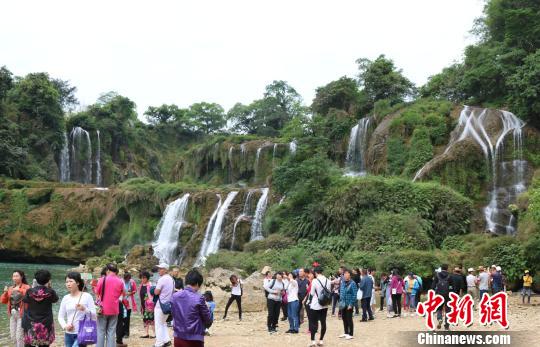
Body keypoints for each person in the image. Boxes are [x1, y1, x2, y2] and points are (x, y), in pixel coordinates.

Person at [170, 269, 213, 347]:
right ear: (197, 283)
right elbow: (207, 319)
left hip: (178, 337)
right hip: (194, 339)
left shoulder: (175, 296)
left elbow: (173, 314)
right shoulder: (199, 298)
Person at [22, 269, 59, 347]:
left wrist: (33, 288)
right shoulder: (51, 292)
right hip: (46, 322)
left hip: (32, 321)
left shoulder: (29, 291)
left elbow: (25, 300)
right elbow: (55, 300)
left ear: (36, 279)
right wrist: (49, 287)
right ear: (48, 280)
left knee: (30, 343)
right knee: (44, 344)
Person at [58, 272, 96, 347]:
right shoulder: (66, 298)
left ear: (78, 283)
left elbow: (94, 315)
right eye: (66, 282)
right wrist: (65, 326)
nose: (68, 284)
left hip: (82, 331)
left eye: (71, 281)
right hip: (68, 333)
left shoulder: (87, 296)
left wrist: (84, 309)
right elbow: (60, 316)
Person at [94, 263, 125, 347]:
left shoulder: (102, 280)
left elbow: (97, 293)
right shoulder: (120, 281)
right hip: (115, 309)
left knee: (101, 331)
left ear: (107, 270)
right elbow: (122, 294)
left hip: (102, 309)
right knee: (111, 332)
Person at [1, 270, 30, 347]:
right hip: (12, 314)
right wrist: (5, 292)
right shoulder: (11, 288)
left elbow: (28, 293)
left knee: (19, 336)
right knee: (13, 336)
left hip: (22, 314)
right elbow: (3, 301)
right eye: (13, 276)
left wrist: (18, 289)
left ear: (21, 277)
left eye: (17, 276)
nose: (14, 278)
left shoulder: (26, 287)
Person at [308, 266, 331, 347]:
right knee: (323, 322)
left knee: (313, 323)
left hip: (315, 305)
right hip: (324, 304)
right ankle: (321, 340)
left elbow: (312, 293)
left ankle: (313, 342)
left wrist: (308, 301)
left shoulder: (315, 280)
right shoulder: (328, 280)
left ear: (316, 272)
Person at [154, 263, 175, 347]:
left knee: (158, 324)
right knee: (163, 323)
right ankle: (167, 340)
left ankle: (159, 343)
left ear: (166, 270)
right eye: (159, 268)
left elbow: (156, 292)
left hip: (160, 305)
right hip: (169, 304)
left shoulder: (162, 279)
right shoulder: (171, 279)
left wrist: (154, 288)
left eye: (161, 268)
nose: (159, 270)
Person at [432, 264, 453, 330]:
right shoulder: (450, 276)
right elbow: (452, 286)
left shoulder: (437, 275)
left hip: (439, 294)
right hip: (447, 294)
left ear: (441, 268)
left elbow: (433, 286)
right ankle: (447, 325)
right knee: (448, 309)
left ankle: (440, 318)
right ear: (447, 268)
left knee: (439, 307)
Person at [338, 269, 357, 340]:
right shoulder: (342, 282)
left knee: (349, 319)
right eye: (344, 274)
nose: (345, 275)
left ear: (350, 274)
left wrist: (351, 304)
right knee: (344, 318)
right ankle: (346, 332)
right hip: (343, 304)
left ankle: (351, 334)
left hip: (349, 304)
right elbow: (341, 292)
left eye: (347, 273)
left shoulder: (353, 283)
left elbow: (354, 295)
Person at [139, 271, 155, 339]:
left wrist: (147, 301)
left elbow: (151, 295)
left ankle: (154, 333)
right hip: (143, 305)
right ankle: (146, 333)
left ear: (147, 278)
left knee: (151, 319)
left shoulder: (150, 285)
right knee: (145, 319)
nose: (142, 279)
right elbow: (141, 296)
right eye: (141, 278)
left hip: (149, 305)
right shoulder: (141, 285)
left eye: (144, 278)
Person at [122, 273, 137, 338]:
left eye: (128, 279)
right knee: (122, 317)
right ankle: (121, 332)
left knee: (127, 317)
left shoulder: (132, 282)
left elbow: (135, 290)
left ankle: (126, 333)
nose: (126, 280)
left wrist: (130, 293)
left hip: (129, 302)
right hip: (122, 301)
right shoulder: (121, 281)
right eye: (125, 279)